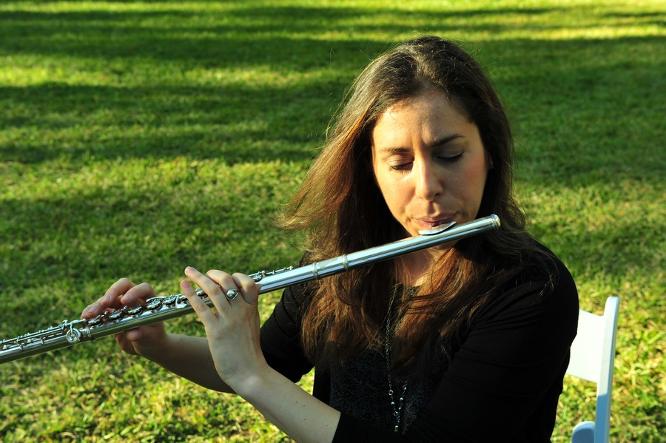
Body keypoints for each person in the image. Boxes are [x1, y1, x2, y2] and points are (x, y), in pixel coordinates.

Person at [81, 36, 578, 442]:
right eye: (400, 163)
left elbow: (255, 371)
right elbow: (264, 358)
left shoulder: (531, 289)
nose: (427, 186)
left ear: (489, 153)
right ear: (371, 170)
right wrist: (159, 344)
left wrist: (254, 377)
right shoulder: (343, 263)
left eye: (449, 155)